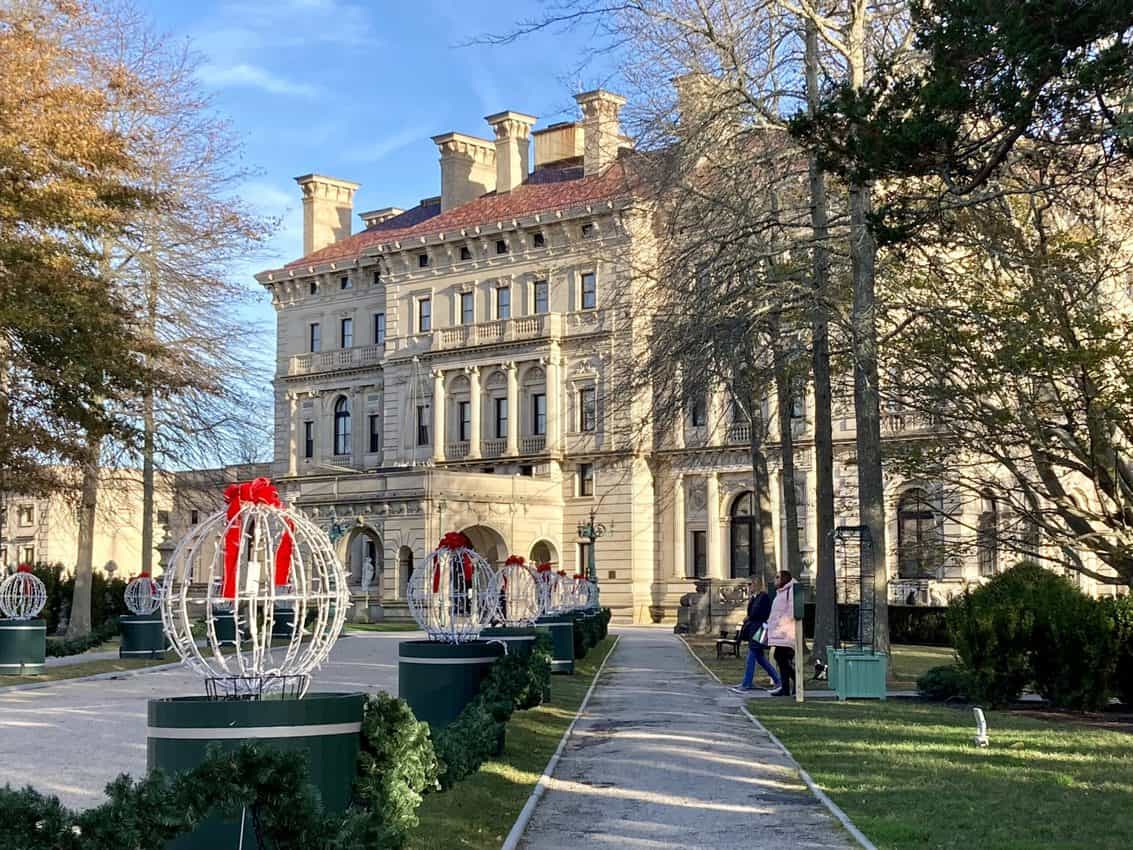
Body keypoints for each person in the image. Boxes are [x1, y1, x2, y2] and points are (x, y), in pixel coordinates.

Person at [730, 576, 780, 694]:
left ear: (756, 585)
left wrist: (749, 617)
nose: (748, 587)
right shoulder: (754, 598)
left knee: (752, 654)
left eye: (750, 584)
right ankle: (778, 679)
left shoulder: (763, 597)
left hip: (761, 629)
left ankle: (747, 682)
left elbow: (755, 613)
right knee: (759, 657)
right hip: (754, 629)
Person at [765, 569, 798, 696]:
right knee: (780, 657)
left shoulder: (790, 591)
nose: (775, 579)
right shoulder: (780, 593)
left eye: (778, 577)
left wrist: (782, 625)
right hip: (779, 632)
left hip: (785, 632)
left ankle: (793, 682)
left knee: (782, 657)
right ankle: (787, 686)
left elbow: (791, 611)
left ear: (784, 579)